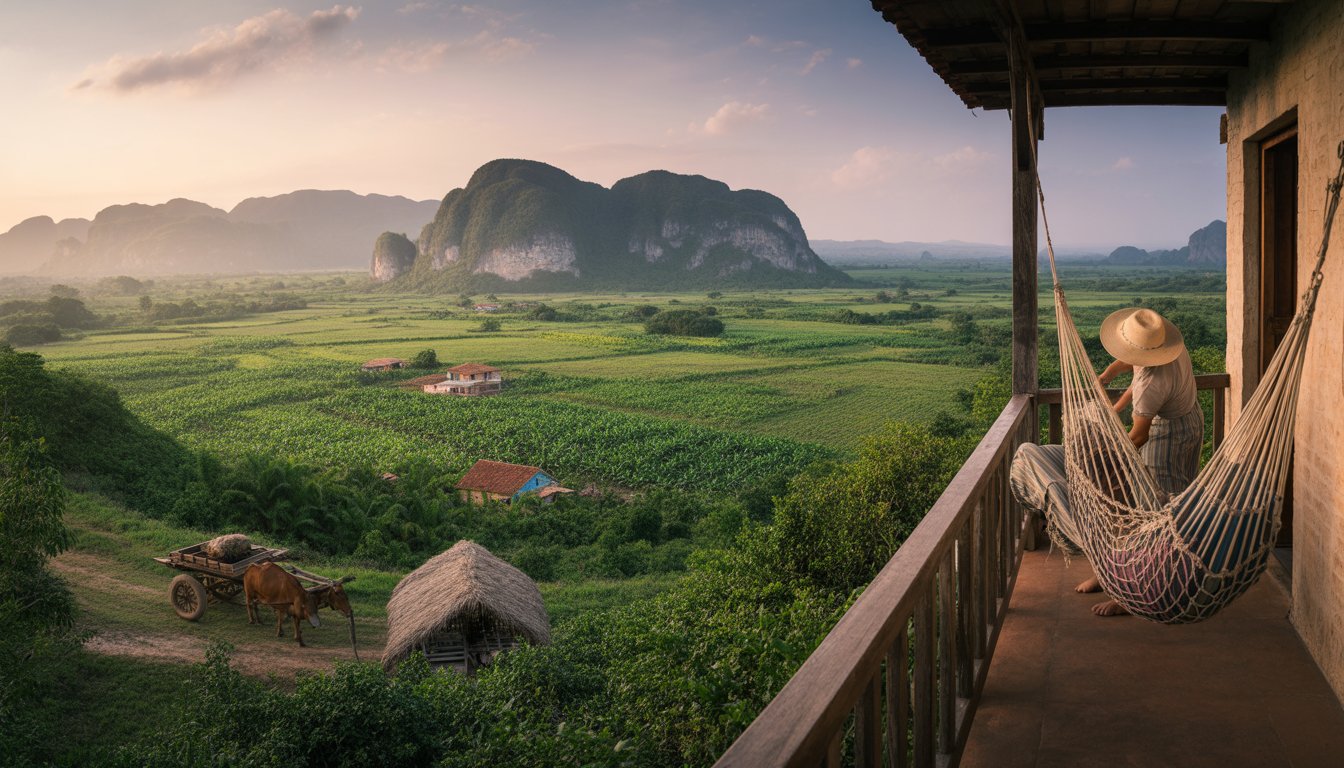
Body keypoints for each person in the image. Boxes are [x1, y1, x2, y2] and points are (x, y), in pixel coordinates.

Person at [1010, 307, 1202, 616]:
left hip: (1170, 436)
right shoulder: (1165, 347)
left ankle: (1137, 591)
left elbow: (1139, 434)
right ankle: (1111, 571)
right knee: (1148, 509)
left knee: (1157, 514)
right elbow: (1134, 369)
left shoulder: (1152, 382)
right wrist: (1107, 381)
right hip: (1184, 420)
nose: (1128, 357)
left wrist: (1108, 449)